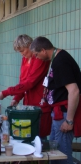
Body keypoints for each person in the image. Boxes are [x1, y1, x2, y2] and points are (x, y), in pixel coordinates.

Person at [30, 36, 81, 164]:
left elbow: (74, 91)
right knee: (54, 153)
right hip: (57, 113)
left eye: (36, 54)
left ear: (43, 50)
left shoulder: (61, 62)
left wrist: (69, 120)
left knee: (62, 154)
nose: (36, 58)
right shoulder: (56, 59)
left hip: (64, 113)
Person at [0, 34, 52, 138]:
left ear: (30, 45)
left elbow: (30, 82)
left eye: (22, 51)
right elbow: (23, 81)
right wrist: (16, 98)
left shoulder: (39, 58)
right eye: (19, 51)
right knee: (28, 135)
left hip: (40, 102)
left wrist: (6, 92)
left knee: (39, 138)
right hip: (28, 103)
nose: (21, 54)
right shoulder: (25, 59)